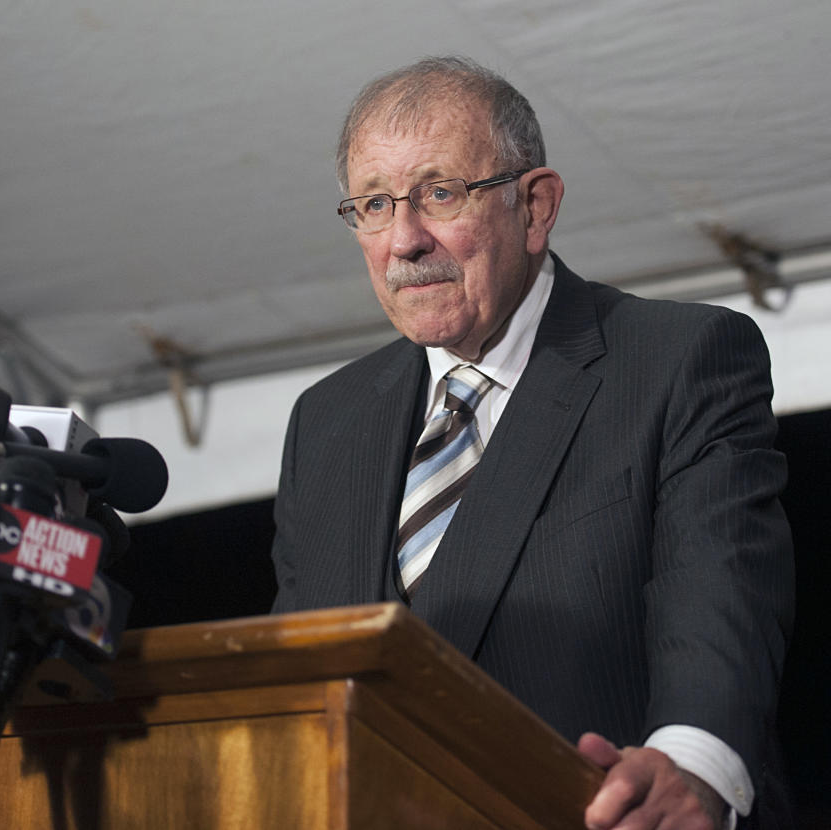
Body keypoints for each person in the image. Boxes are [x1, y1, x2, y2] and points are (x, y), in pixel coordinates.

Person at [270, 56, 793, 830]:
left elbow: (719, 598)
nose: (404, 241)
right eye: (374, 205)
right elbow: (297, 689)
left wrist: (691, 766)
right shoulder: (327, 422)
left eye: (440, 193)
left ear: (535, 206)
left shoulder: (678, 360)